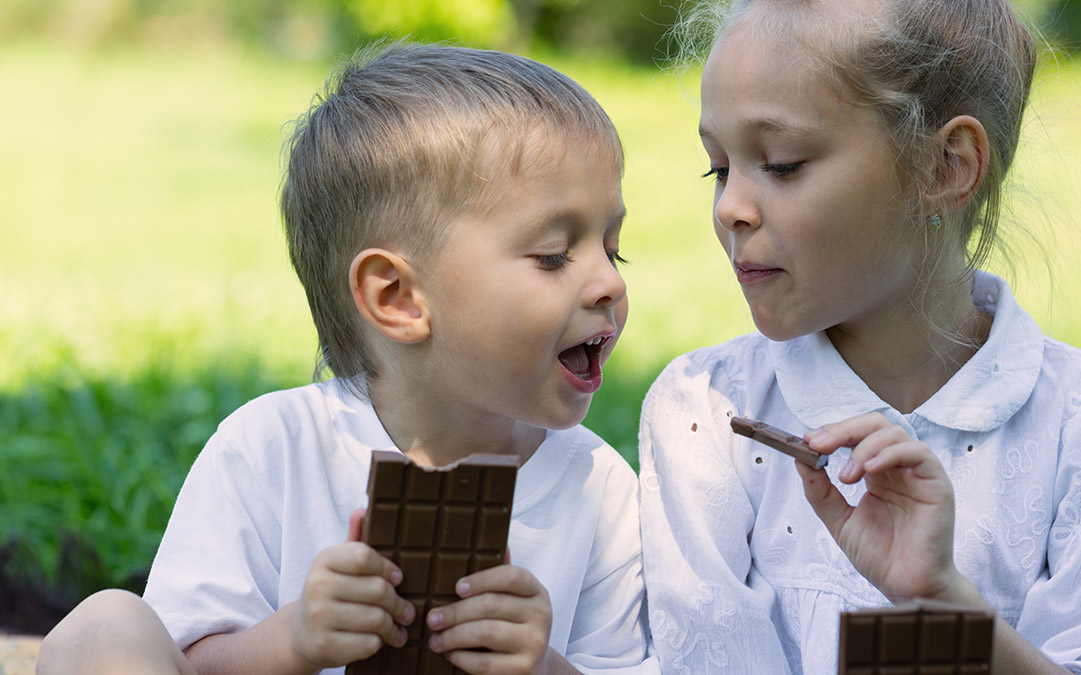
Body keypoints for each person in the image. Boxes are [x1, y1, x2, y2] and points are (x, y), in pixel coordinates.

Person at [38, 39, 655, 675]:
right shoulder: (271, 450)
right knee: (105, 625)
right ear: (398, 297)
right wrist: (294, 639)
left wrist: (546, 668)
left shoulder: (598, 490)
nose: (609, 282)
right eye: (554, 255)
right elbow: (188, 661)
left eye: (614, 248)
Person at [636, 0, 1081, 673]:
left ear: (946, 167)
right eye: (719, 168)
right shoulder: (707, 417)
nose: (730, 207)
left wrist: (950, 609)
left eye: (781, 163)